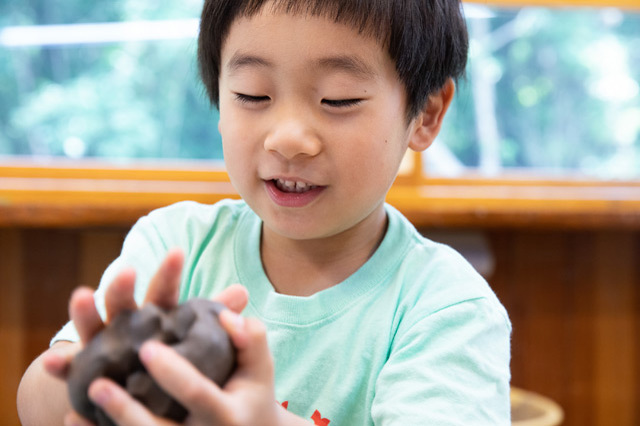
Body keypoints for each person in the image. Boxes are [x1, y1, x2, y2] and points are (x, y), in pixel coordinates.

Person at [17, 0, 512, 424]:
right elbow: (35, 406)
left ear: (425, 113)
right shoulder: (176, 246)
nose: (288, 138)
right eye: (253, 95)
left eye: (338, 99)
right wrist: (99, 373)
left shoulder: (446, 309)